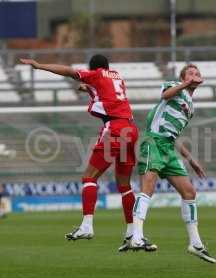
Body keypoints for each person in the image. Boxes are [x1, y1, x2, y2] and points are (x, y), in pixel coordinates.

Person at [20, 55, 157, 251]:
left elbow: (68, 71)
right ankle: (131, 233)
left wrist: (39, 65)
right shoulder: (116, 76)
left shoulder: (96, 74)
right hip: (131, 130)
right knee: (124, 185)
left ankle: (87, 226)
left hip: (115, 129)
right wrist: (88, 90)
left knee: (89, 177)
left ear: (93, 69)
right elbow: (105, 95)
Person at [131, 64, 216, 263]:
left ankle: (195, 243)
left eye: (197, 73)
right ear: (183, 77)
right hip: (153, 140)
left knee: (189, 192)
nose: (195, 75)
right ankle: (136, 236)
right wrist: (184, 84)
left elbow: (174, 136)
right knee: (148, 187)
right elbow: (165, 95)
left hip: (168, 147)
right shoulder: (175, 86)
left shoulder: (191, 106)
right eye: (191, 73)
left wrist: (191, 159)